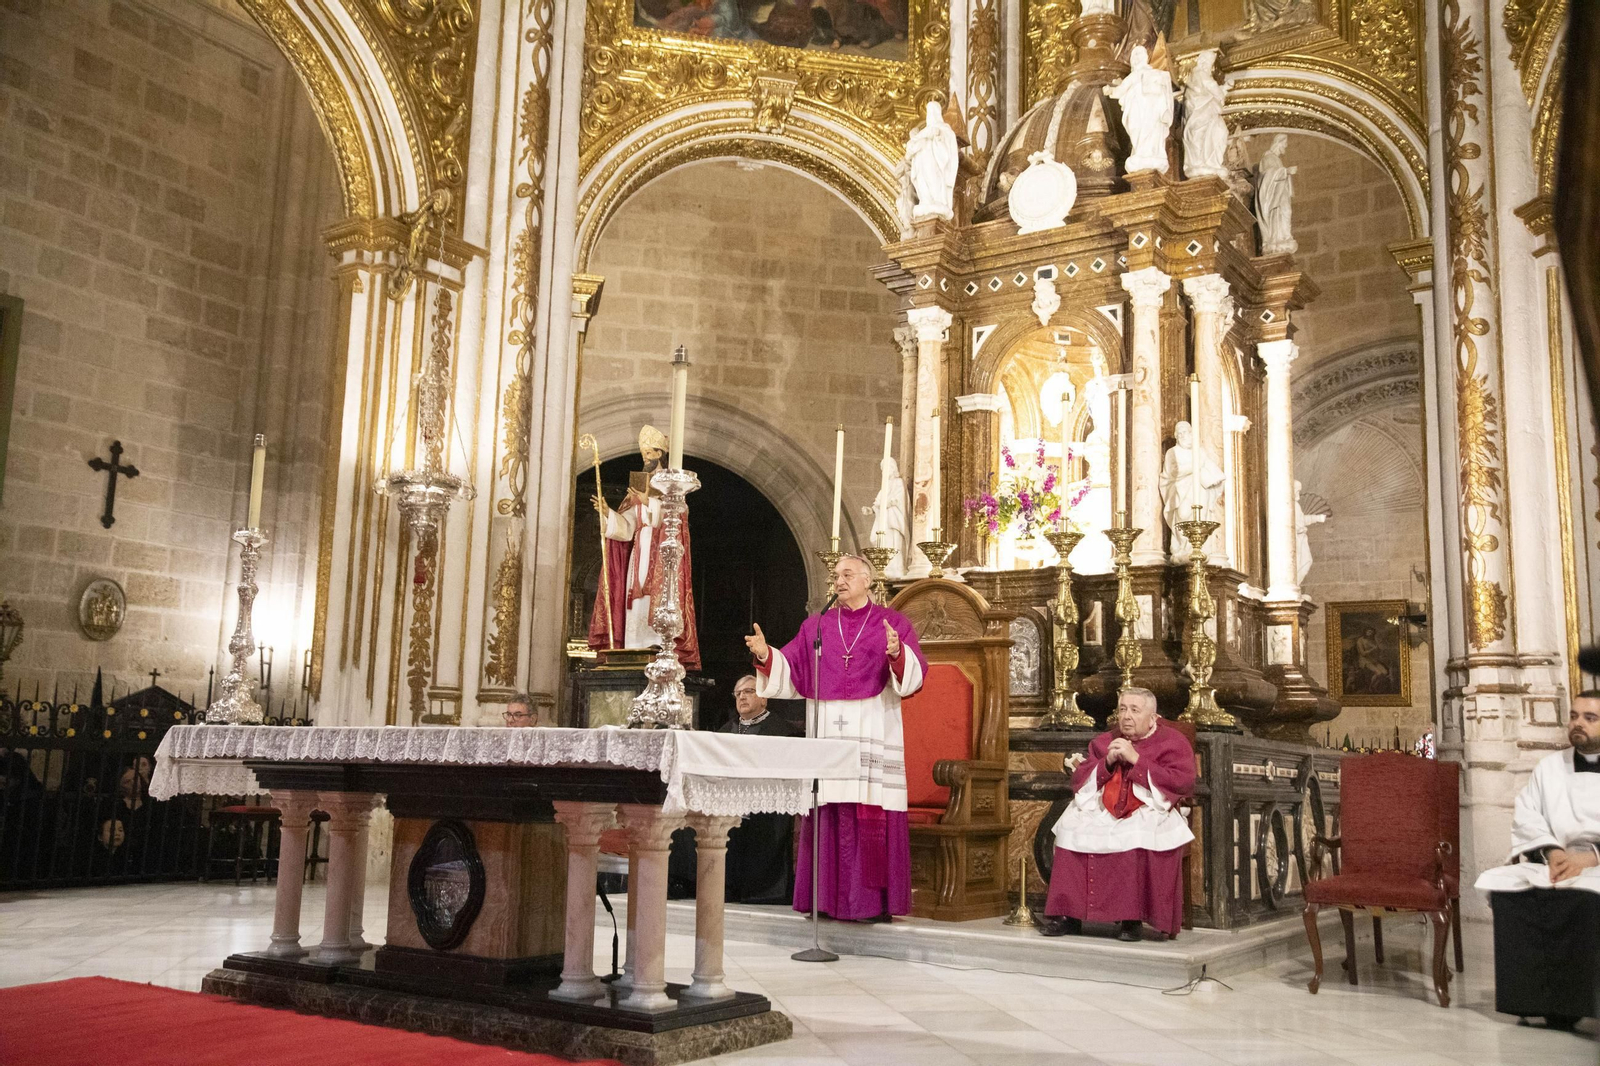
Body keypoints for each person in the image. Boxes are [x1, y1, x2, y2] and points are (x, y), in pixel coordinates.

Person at [745, 553, 926, 920]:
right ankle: (825, 900)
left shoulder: (892, 623)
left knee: (868, 806)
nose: (839, 581)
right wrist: (766, 655)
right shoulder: (816, 626)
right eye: (836, 575)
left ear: (867, 581)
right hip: (828, 729)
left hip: (873, 727)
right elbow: (792, 668)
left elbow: (913, 677)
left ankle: (870, 904)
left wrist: (896, 654)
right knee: (828, 808)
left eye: (847, 574)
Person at [1475, 692, 1600, 1030]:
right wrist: (1554, 852)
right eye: (1574, 716)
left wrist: (1589, 858)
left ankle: (1580, 1004)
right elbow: (1528, 815)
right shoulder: (1550, 767)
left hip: (1595, 862)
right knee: (1511, 892)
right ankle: (1537, 1002)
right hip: (1556, 858)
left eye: (1590, 718)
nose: (1578, 723)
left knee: (1586, 901)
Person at [1040, 687, 1195, 941]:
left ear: (1153, 718)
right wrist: (1107, 762)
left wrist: (1137, 760)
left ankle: (1131, 919)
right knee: (1070, 828)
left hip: (1149, 807)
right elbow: (1080, 780)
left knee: (1136, 834)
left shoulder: (1173, 742)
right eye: (1122, 709)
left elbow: (1182, 781)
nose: (1126, 716)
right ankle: (1067, 915)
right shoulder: (1104, 741)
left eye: (1135, 710)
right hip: (1105, 807)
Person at [588, 425, 701, 668]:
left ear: (660, 454)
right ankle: (634, 646)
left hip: (663, 554)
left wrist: (648, 501)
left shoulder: (672, 488)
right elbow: (628, 528)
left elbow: (677, 517)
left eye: (649, 453)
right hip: (639, 551)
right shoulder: (636, 489)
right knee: (635, 597)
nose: (646, 458)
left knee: (659, 596)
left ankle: (658, 645)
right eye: (643, 454)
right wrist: (609, 514)